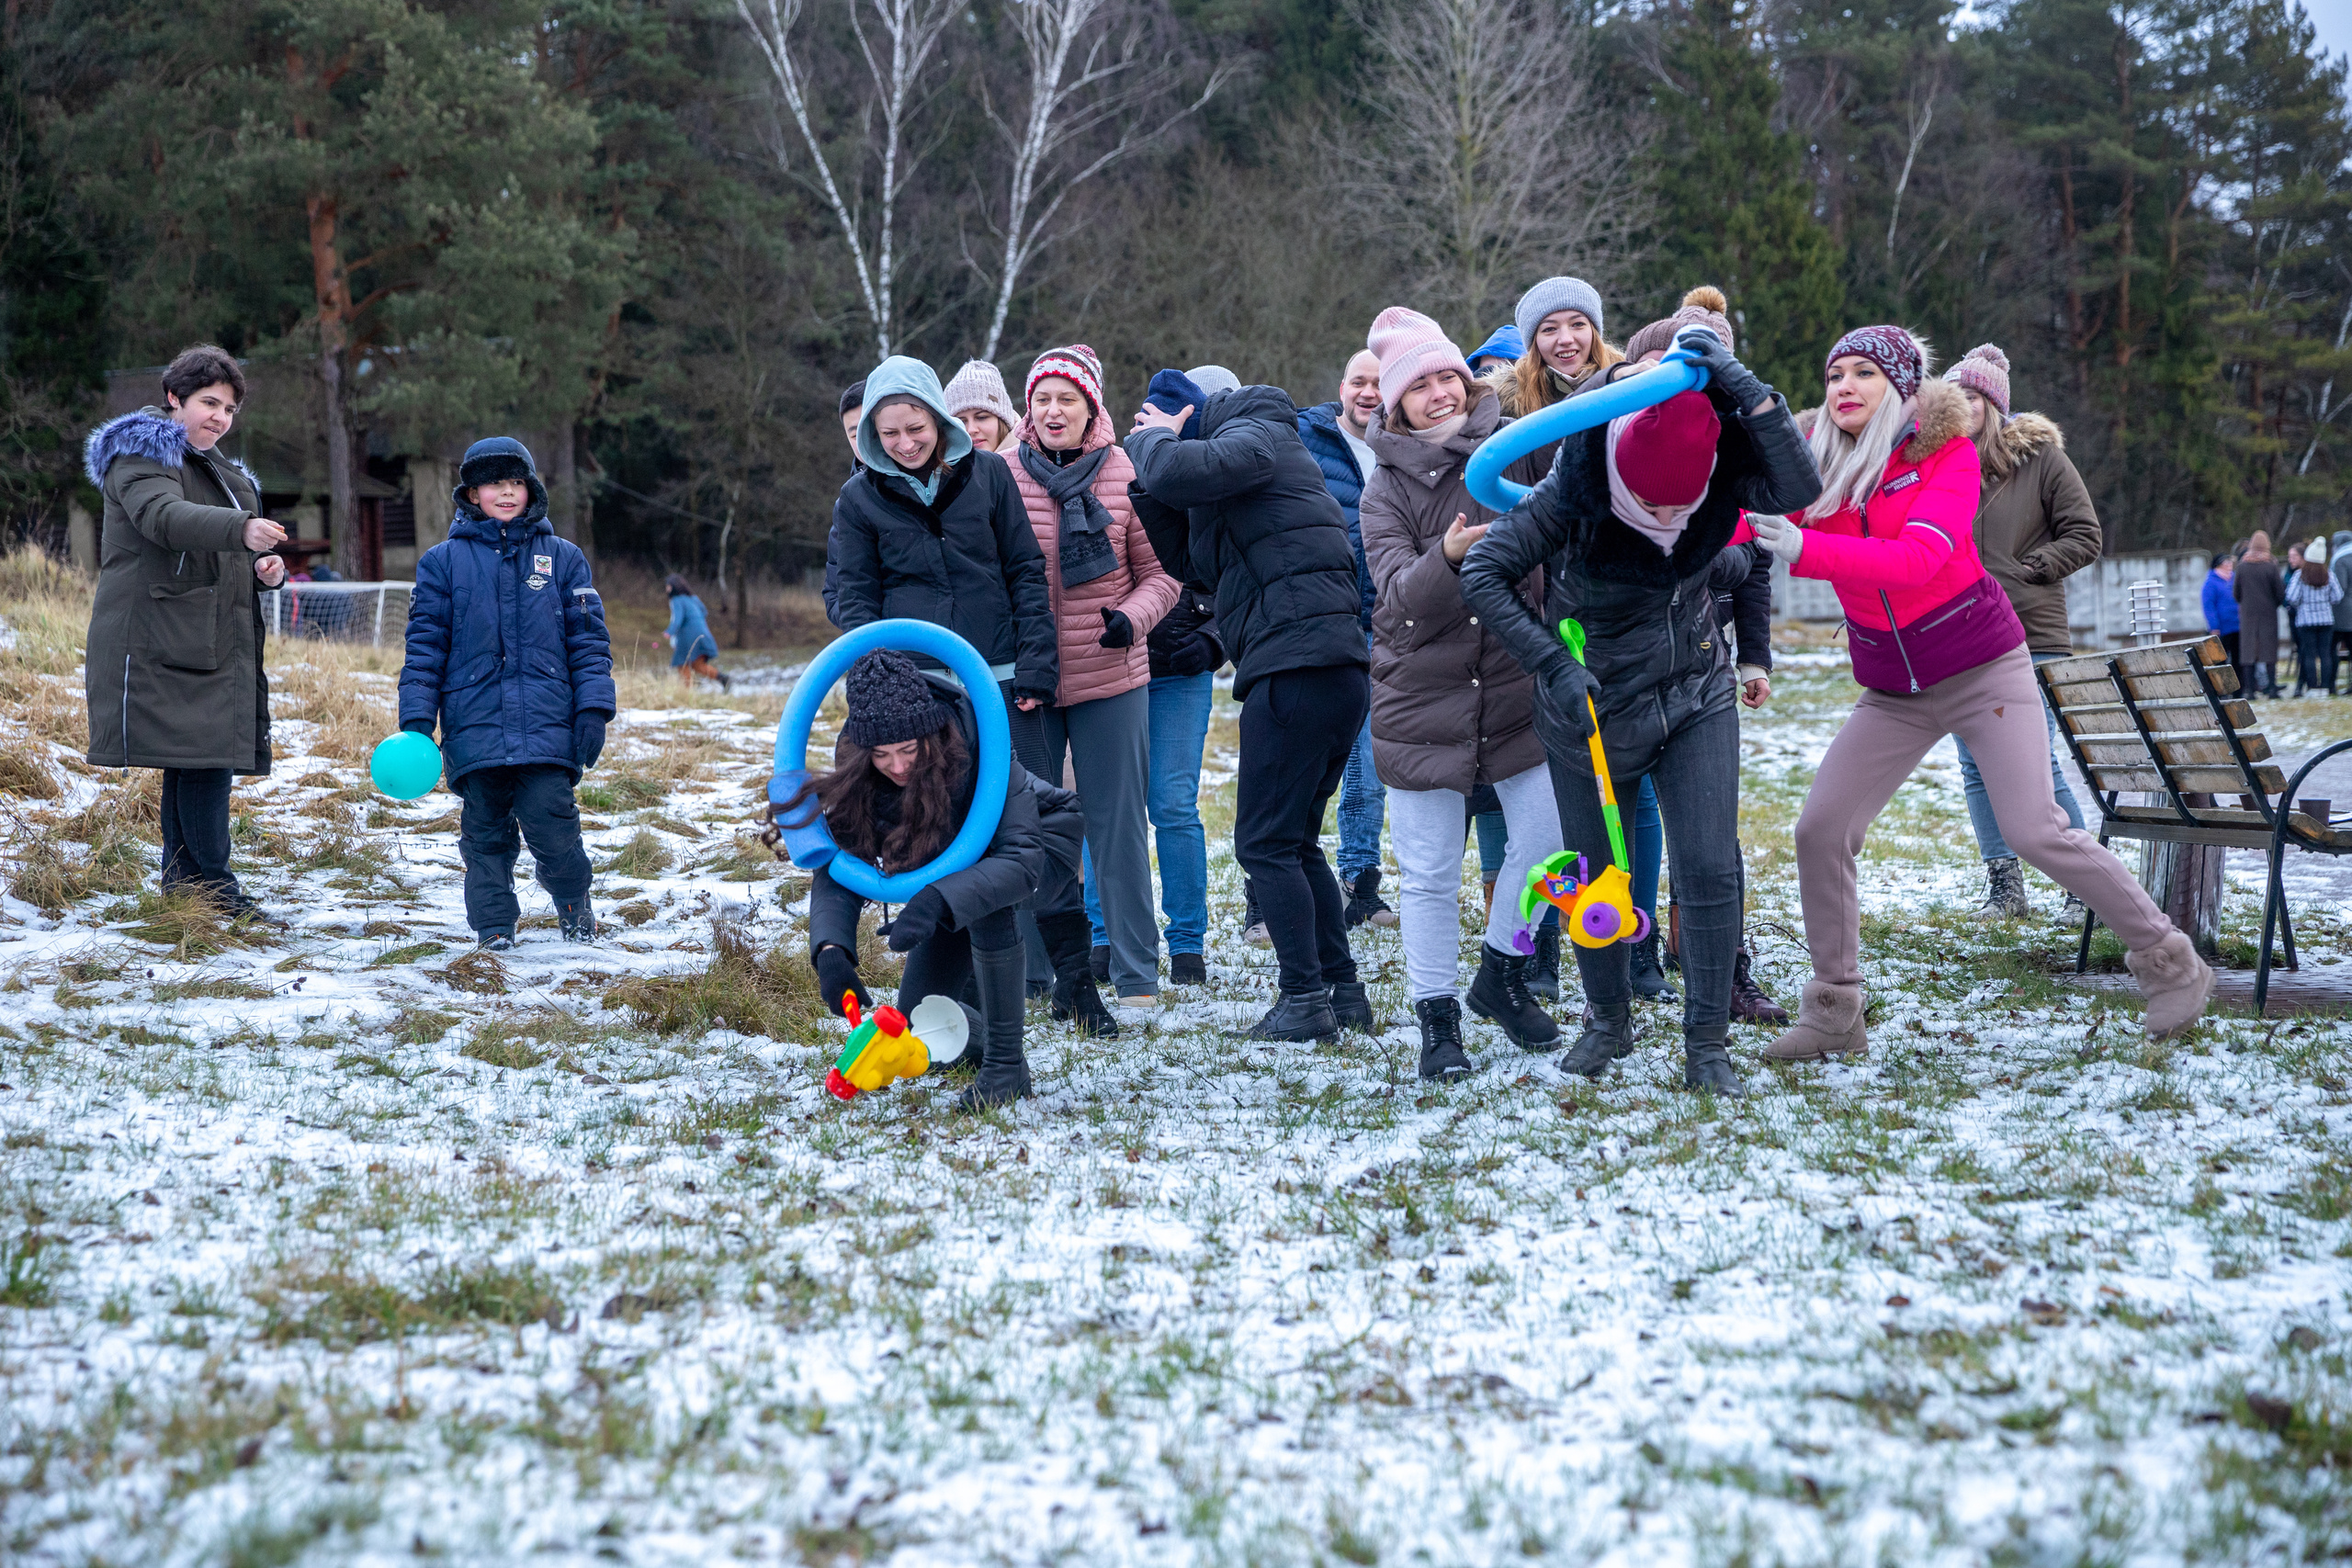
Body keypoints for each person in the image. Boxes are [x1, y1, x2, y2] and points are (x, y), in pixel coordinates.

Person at [1749, 327, 2212, 1056]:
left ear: (1901, 385)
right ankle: (1835, 1011)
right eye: (1834, 373)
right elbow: (1734, 520)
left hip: (1983, 668)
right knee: (1821, 829)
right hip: (1893, 689)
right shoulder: (1817, 466)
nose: (1844, 386)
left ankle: (2172, 963)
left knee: (2034, 829)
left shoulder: (1948, 454)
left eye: (1864, 372)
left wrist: (1804, 546)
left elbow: (1917, 558)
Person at [1464, 325, 1820, 1095]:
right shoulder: (1576, 485)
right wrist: (1553, 664)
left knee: (1709, 864)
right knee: (1598, 877)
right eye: (1649, 502)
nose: (1666, 513)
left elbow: (1800, 486)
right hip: (1589, 708)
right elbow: (1485, 570)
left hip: (1695, 689)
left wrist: (1741, 381)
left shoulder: (1723, 465)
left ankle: (1707, 1044)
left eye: (1680, 503)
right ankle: (1607, 1021)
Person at [1126, 367, 1373, 1042]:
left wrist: (1153, 442)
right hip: (1321, 666)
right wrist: (1148, 486)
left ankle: (1304, 999)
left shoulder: (1260, 429)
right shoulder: (1236, 484)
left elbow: (1179, 467)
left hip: (1300, 665)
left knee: (1263, 843)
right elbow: (1192, 567)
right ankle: (1342, 989)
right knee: (1293, 840)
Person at [1358, 309, 1563, 1077]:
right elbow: (1397, 598)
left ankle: (1501, 973)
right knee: (1432, 873)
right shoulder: (1383, 491)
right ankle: (1437, 1023)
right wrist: (1445, 557)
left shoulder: (1516, 447)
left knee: (1548, 841)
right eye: (1420, 386)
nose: (1440, 393)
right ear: (1397, 405)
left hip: (1513, 689)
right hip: (1420, 699)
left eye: (1448, 376)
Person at [778, 650, 1084, 1111]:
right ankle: (977, 1020)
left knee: (988, 898)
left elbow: (1018, 861)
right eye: (882, 755)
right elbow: (840, 864)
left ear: (929, 733)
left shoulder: (980, 744)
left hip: (1040, 850)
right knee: (919, 1028)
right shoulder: (862, 770)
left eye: (908, 750)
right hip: (950, 879)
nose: (898, 766)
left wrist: (935, 901)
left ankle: (1007, 1067)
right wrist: (830, 949)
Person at [83, 344, 288, 921]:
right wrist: (241, 530)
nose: (220, 418)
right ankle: (214, 888)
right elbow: (163, 519)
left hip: (204, 637)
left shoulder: (222, 473)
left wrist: (264, 570)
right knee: (204, 760)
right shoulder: (140, 454)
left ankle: (186, 889)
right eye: (209, 403)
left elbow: (220, 555)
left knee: (197, 760)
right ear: (174, 398)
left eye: (230, 409)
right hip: (158, 636)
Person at [1004, 344, 1179, 1020]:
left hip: (1112, 675)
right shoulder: (1000, 476)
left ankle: (1136, 975)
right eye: (1042, 399)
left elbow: (1162, 575)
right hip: (1029, 683)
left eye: (1067, 399)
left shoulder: (1125, 471)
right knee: (1030, 828)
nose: (1054, 411)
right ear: (1029, 409)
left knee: (1117, 828)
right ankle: (1033, 974)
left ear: (1091, 408)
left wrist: (1130, 620)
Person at [400, 437, 615, 949]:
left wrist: (593, 709)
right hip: (473, 725)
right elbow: (425, 647)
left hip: (546, 725)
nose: (506, 492)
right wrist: (417, 723)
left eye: (516, 482)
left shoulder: (563, 558)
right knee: (485, 837)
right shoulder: (442, 563)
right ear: (472, 494)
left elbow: (589, 643)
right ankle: (494, 928)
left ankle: (573, 903)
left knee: (554, 825)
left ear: (531, 489)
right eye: (494, 483)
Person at [1933, 344, 2101, 919]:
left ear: (1995, 405)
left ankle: (2085, 885)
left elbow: (2085, 534)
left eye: (1974, 396)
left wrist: (2032, 568)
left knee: (2034, 762)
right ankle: (2006, 888)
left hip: (2031, 632)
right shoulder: (1938, 464)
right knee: (1975, 764)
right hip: (1959, 633)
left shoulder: (2042, 460)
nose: (1964, 404)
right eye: (1956, 395)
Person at [830, 356, 1058, 710]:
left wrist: (1036, 664)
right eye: (890, 434)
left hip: (999, 667)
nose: (906, 444)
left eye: (915, 428)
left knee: (1013, 752)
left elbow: (1025, 570)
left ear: (938, 418)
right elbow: (857, 596)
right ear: (874, 433)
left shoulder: (990, 472)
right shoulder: (858, 497)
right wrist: (874, 678)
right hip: (912, 677)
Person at [1294, 348, 1396, 932]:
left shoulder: (1404, 444)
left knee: (1370, 761)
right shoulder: (1307, 441)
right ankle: (1276, 877)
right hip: (1322, 622)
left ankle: (1361, 879)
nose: (1369, 393)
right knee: (1307, 761)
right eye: (1359, 381)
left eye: (1380, 383)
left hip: (1387, 621)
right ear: (1342, 387)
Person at [821, 378, 865, 627]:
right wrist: (871, 630)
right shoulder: (847, 505)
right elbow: (834, 595)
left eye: (871, 428)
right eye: (855, 434)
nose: (865, 441)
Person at [2285, 539, 2342, 696]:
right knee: (2325, 653)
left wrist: (2302, 604)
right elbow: (2338, 596)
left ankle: (2312, 687)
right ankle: (2325, 687)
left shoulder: (2300, 575)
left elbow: (2292, 597)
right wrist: (2326, 603)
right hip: (2326, 620)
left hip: (2306, 620)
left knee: (2309, 654)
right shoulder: (2328, 575)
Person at [2233, 532, 2285, 697]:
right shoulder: (2271, 566)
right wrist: (2272, 604)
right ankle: (2272, 689)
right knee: (2269, 653)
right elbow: (2280, 593)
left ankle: (2249, 690)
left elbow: (2236, 593)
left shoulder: (2242, 566)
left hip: (2248, 616)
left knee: (2248, 654)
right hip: (2268, 615)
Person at [663, 573, 730, 692]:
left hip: (688, 637)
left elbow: (677, 619)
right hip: (703, 634)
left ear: (673, 586)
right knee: (697, 665)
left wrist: (669, 632)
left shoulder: (676, 600)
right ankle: (723, 678)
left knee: (681, 663)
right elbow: (704, 612)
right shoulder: (693, 598)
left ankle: (687, 693)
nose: (666, 588)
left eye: (668, 585)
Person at [944, 360, 1021, 455]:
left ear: (1003, 420)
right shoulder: (939, 463)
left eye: (981, 418)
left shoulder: (1034, 461)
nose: (971, 430)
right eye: (961, 422)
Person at [2202, 551, 2240, 676]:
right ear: (2218, 565)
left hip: (2238, 625)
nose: (2229, 564)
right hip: (2222, 628)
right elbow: (2209, 607)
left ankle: (2239, 686)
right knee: (2221, 659)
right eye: (2226, 562)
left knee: (2238, 659)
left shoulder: (2235, 578)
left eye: (2230, 562)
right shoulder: (2211, 583)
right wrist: (2214, 626)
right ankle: (2223, 686)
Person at [2332, 528, 2352, 694]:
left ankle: (2330, 684)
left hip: (2343, 614)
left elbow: (2340, 587)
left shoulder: (2341, 559)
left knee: (2332, 649)